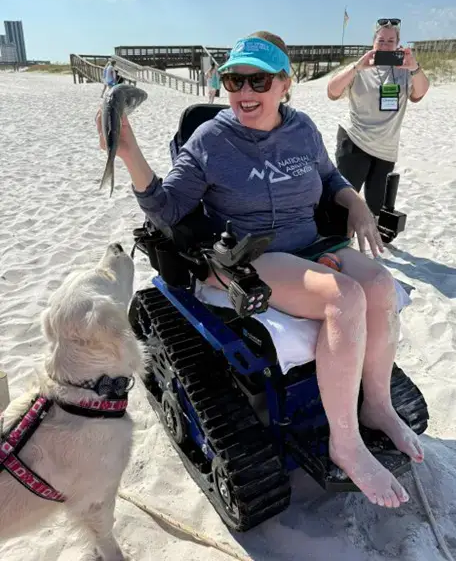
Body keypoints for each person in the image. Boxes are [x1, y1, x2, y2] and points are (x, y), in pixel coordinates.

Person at [96, 30, 424, 509]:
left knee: (379, 283)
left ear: (284, 84)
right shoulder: (210, 139)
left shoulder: (303, 128)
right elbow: (167, 208)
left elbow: (330, 177)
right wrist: (129, 154)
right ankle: (345, 442)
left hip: (311, 242)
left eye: (259, 81)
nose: (245, 93)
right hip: (253, 255)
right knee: (344, 297)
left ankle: (375, 405)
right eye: (234, 81)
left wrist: (355, 202)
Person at [327, 19, 430, 217]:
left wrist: (415, 67)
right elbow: (332, 91)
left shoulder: (405, 70)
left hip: (386, 149)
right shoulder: (360, 67)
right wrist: (357, 67)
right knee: (343, 205)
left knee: (377, 208)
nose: (385, 45)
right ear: (373, 42)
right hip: (355, 142)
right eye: (381, 40)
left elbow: (420, 93)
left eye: (390, 41)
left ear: (398, 43)